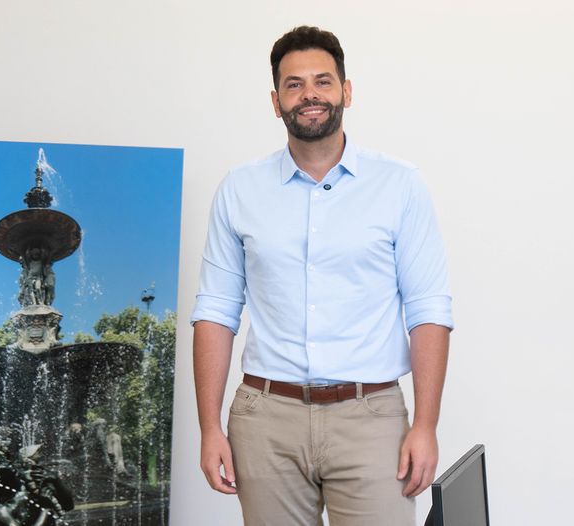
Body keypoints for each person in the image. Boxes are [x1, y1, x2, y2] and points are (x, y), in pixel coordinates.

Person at [192, 25, 453, 525]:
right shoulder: (239, 189)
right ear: (276, 101)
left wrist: (425, 424)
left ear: (346, 92)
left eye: (322, 81)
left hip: (371, 419)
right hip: (265, 418)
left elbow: (428, 311)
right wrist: (210, 428)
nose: (309, 94)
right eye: (294, 84)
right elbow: (216, 313)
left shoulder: (400, 186)